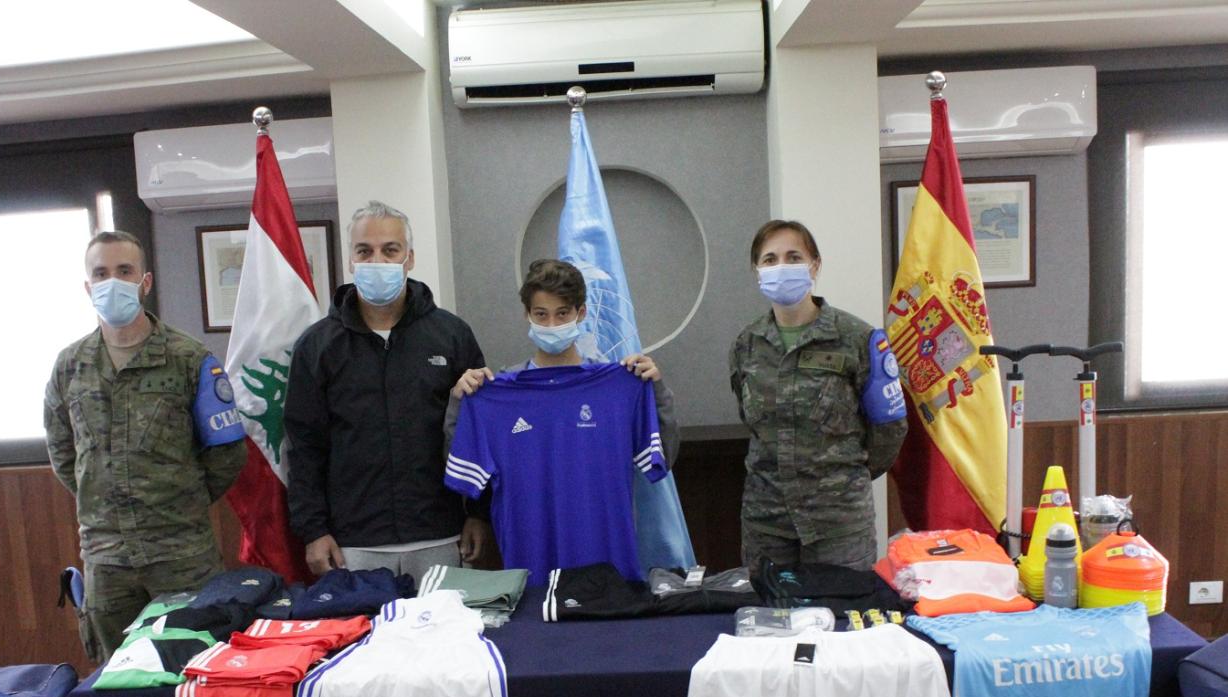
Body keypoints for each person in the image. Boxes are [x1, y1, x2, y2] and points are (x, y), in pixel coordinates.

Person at [45, 231, 247, 664]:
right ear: (88, 287)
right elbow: (64, 454)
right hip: (107, 561)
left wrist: (178, 502)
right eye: (101, 273)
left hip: (181, 555)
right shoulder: (70, 367)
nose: (112, 282)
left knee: (197, 670)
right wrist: (106, 502)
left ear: (145, 282)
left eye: (124, 271)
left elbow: (227, 453)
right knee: (115, 679)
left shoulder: (189, 359)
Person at [285, 201, 490, 582]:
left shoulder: (451, 335)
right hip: (352, 543)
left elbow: (477, 434)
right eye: (365, 251)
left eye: (390, 250)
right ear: (351, 260)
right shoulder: (316, 346)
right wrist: (313, 530)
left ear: (409, 258)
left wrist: (479, 514)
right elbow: (303, 446)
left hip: (440, 534)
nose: (377, 260)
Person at [729, 219, 907, 572]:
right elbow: (752, 422)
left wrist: (843, 480)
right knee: (769, 609)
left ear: (815, 265)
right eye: (770, 259)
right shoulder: (746, 345)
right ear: (757, 271)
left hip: (839, 525)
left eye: (793, 257)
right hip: (767, 523)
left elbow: (889, 429)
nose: (781, 267)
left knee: (842, 608)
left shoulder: (858, 338)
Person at [447, 258, 677, 461]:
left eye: (562, 313)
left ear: (581, 313)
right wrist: (459, 403)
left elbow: (662, 457)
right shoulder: (502, 392)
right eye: (541, 314)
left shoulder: (615, 389)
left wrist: (656, 392)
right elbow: (463, 467)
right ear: (527, 314)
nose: (552, 325)